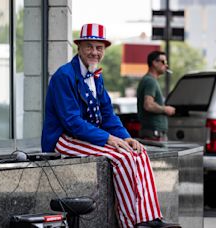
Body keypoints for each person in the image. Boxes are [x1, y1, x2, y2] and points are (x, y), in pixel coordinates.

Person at [41, 23, 181, 228]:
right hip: (63, 139)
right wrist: (108, 138)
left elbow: (108, 114)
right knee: (121, 156)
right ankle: (130, 224)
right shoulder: (64, 76)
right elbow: (72, 123)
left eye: (99, 48)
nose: (94, 52)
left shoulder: (96, 76)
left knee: (139, 152)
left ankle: (149, 218)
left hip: (88, 136)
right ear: (79, 48)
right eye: (89, 46)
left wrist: (125, 137)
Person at [136, 51, 176, 141]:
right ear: (154, 62)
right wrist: (165, 109)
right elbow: (148, 105)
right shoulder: (150, 81)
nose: (166, 66)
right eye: (163, 62)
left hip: (153, 133)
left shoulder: (149, 80)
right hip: (154, 134)